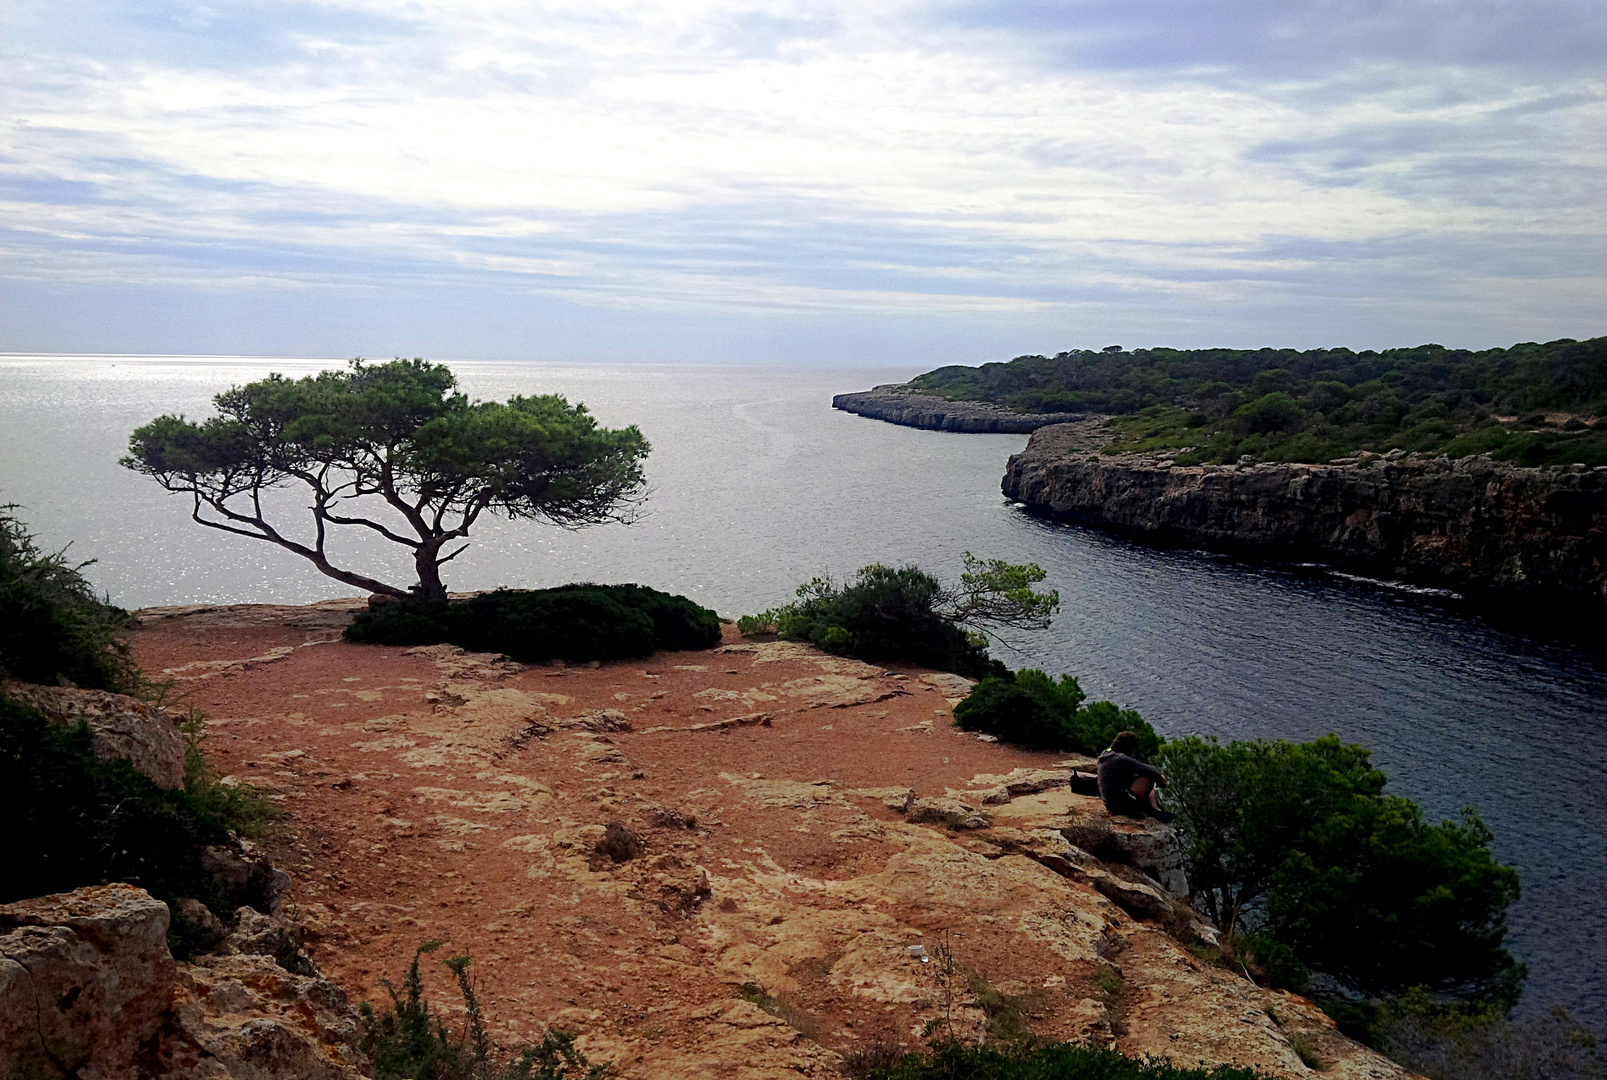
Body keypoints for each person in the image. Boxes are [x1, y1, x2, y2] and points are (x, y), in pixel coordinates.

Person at [1096, 731, 1175, 824]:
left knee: (1150, 791)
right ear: (1129, 747)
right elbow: (1150, 769)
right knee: (1147, 778)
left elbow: (1110, 747)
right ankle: (1151, 812)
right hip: (1119, 806)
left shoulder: (1108, 752)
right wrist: (1161, 779)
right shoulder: (1120, 759)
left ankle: (1157, 811)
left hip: (1111, 802)